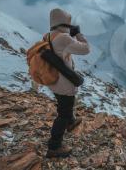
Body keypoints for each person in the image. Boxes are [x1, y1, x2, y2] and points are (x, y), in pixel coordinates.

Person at [46, 8, 90, 158]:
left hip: (54, 81)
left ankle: (71, 122)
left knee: (64, 104)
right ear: (64, 22)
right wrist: (77, 34)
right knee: (63, 113)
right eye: (68, 23)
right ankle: (54, 146)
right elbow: (86, 49)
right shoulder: (63, 38)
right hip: (64, 82)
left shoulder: (48, 36)